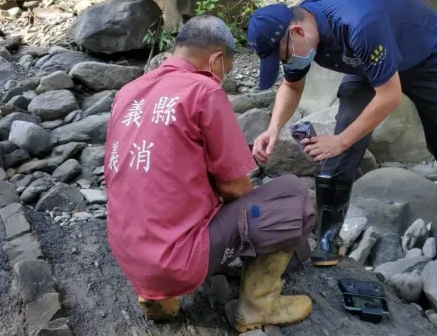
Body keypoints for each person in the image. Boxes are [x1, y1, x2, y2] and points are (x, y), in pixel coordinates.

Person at [247, 0, 437, 268]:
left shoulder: (357, 24)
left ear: (296, 31)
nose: (288, 63)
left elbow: (389, 97)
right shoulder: (303, 33)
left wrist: (341, 140)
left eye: (284, 56)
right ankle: (328, 236)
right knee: (342, 141)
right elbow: (292, 86)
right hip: (368, 63)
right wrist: (273, 129)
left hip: (427, 57)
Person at [104, 16, 315, 332]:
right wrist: (267, 226)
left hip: (129, 254)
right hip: (177, 262)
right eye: (225, 71)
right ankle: (258, 305)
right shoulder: (203, 91)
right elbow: (233, 189)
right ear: (217, 59)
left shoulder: (129, 91)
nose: (222, 78)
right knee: (292, 196)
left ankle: (155, 296)